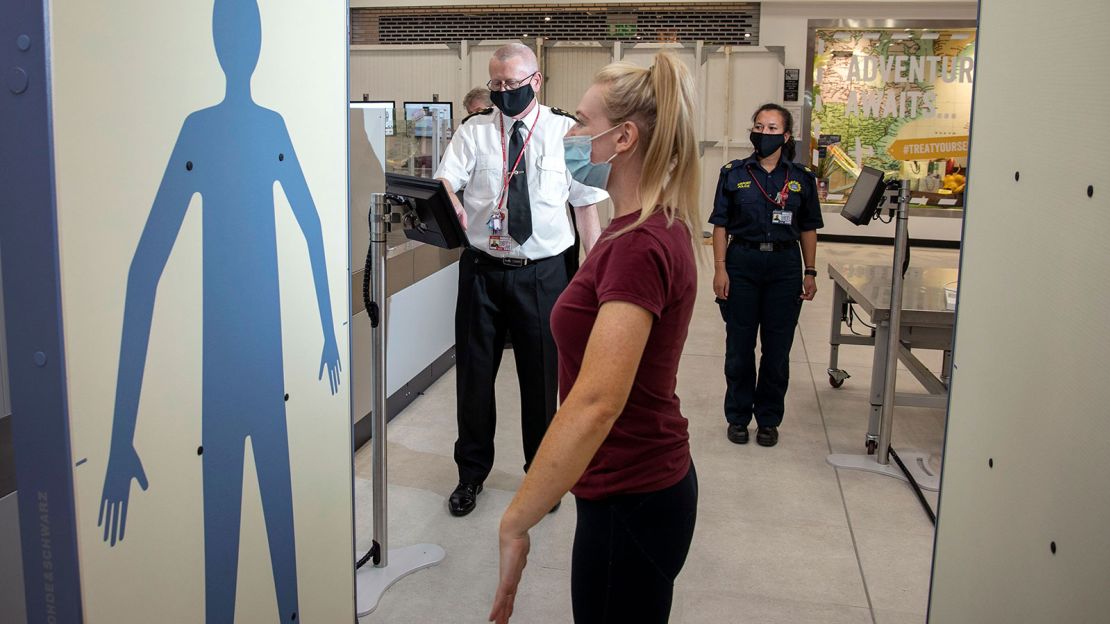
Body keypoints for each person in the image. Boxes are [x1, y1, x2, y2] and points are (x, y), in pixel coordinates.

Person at [488, 52, 700, 624]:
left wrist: (516, 520)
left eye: (581, 121)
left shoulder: (638, 244)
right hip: (624, 484)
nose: (571, 133)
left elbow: (595, 402)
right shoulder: (640, 226)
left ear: (624, 137)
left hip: (632, 493)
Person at [435, 43, 605, 517]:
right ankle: (471, 474)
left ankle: (542, 474)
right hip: (482, 272)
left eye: (512, 83)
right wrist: (447, 200)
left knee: (542, 378)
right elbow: (446, 182)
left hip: (544, 274)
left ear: (536, 80)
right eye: (496, 84)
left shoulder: (568, 132)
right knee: (473, 378)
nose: (504, 92)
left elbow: (586, 207)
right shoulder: (474, 132)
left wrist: (596, 276)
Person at [709, 103, 823, 448]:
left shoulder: (802, 178)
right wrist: (720, 269)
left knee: (777, 351)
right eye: (759, 126)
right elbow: (720, 225)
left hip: (785, 269)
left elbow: (808, 228)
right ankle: (739, 417)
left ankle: (769, 419)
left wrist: (810, 271)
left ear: (786, 136)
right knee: (739, 348)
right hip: (742, 263)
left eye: (773, 128)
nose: (764, 133)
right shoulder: (733, 173)